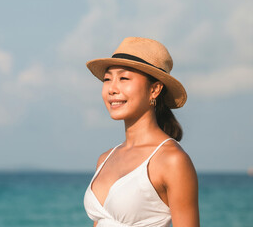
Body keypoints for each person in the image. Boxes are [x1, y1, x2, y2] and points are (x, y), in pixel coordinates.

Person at [83, 37, 199, 227]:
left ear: (154, 89)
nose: (112, 89)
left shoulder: (172, 160)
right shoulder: (105, 159)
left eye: (123, 78)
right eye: (107, 79)